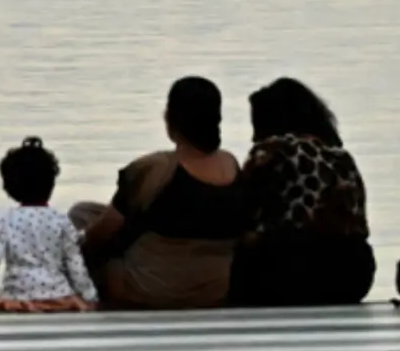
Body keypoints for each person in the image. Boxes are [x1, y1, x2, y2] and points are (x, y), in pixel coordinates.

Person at [72, 77, 249, 309]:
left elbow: (102, 235)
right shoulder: (231, 165)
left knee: (79, 219)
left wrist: (68, 252)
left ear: (171, 119)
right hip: (213, 291)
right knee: (86, 210)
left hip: (144, 290)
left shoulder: (156, 169)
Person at [229, 77, 375, 307]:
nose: (253, 137)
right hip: (354, 272)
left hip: (293, 271)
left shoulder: (272, 151)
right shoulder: (341, 157)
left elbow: (240, 212)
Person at [0, 137, 99, 314]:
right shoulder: (60, 220)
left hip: (17, 297)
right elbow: (75, 264)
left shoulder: (5, 220)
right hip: (57, 296)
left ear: (9, 187)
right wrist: (89, 296)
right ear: (51, 183)